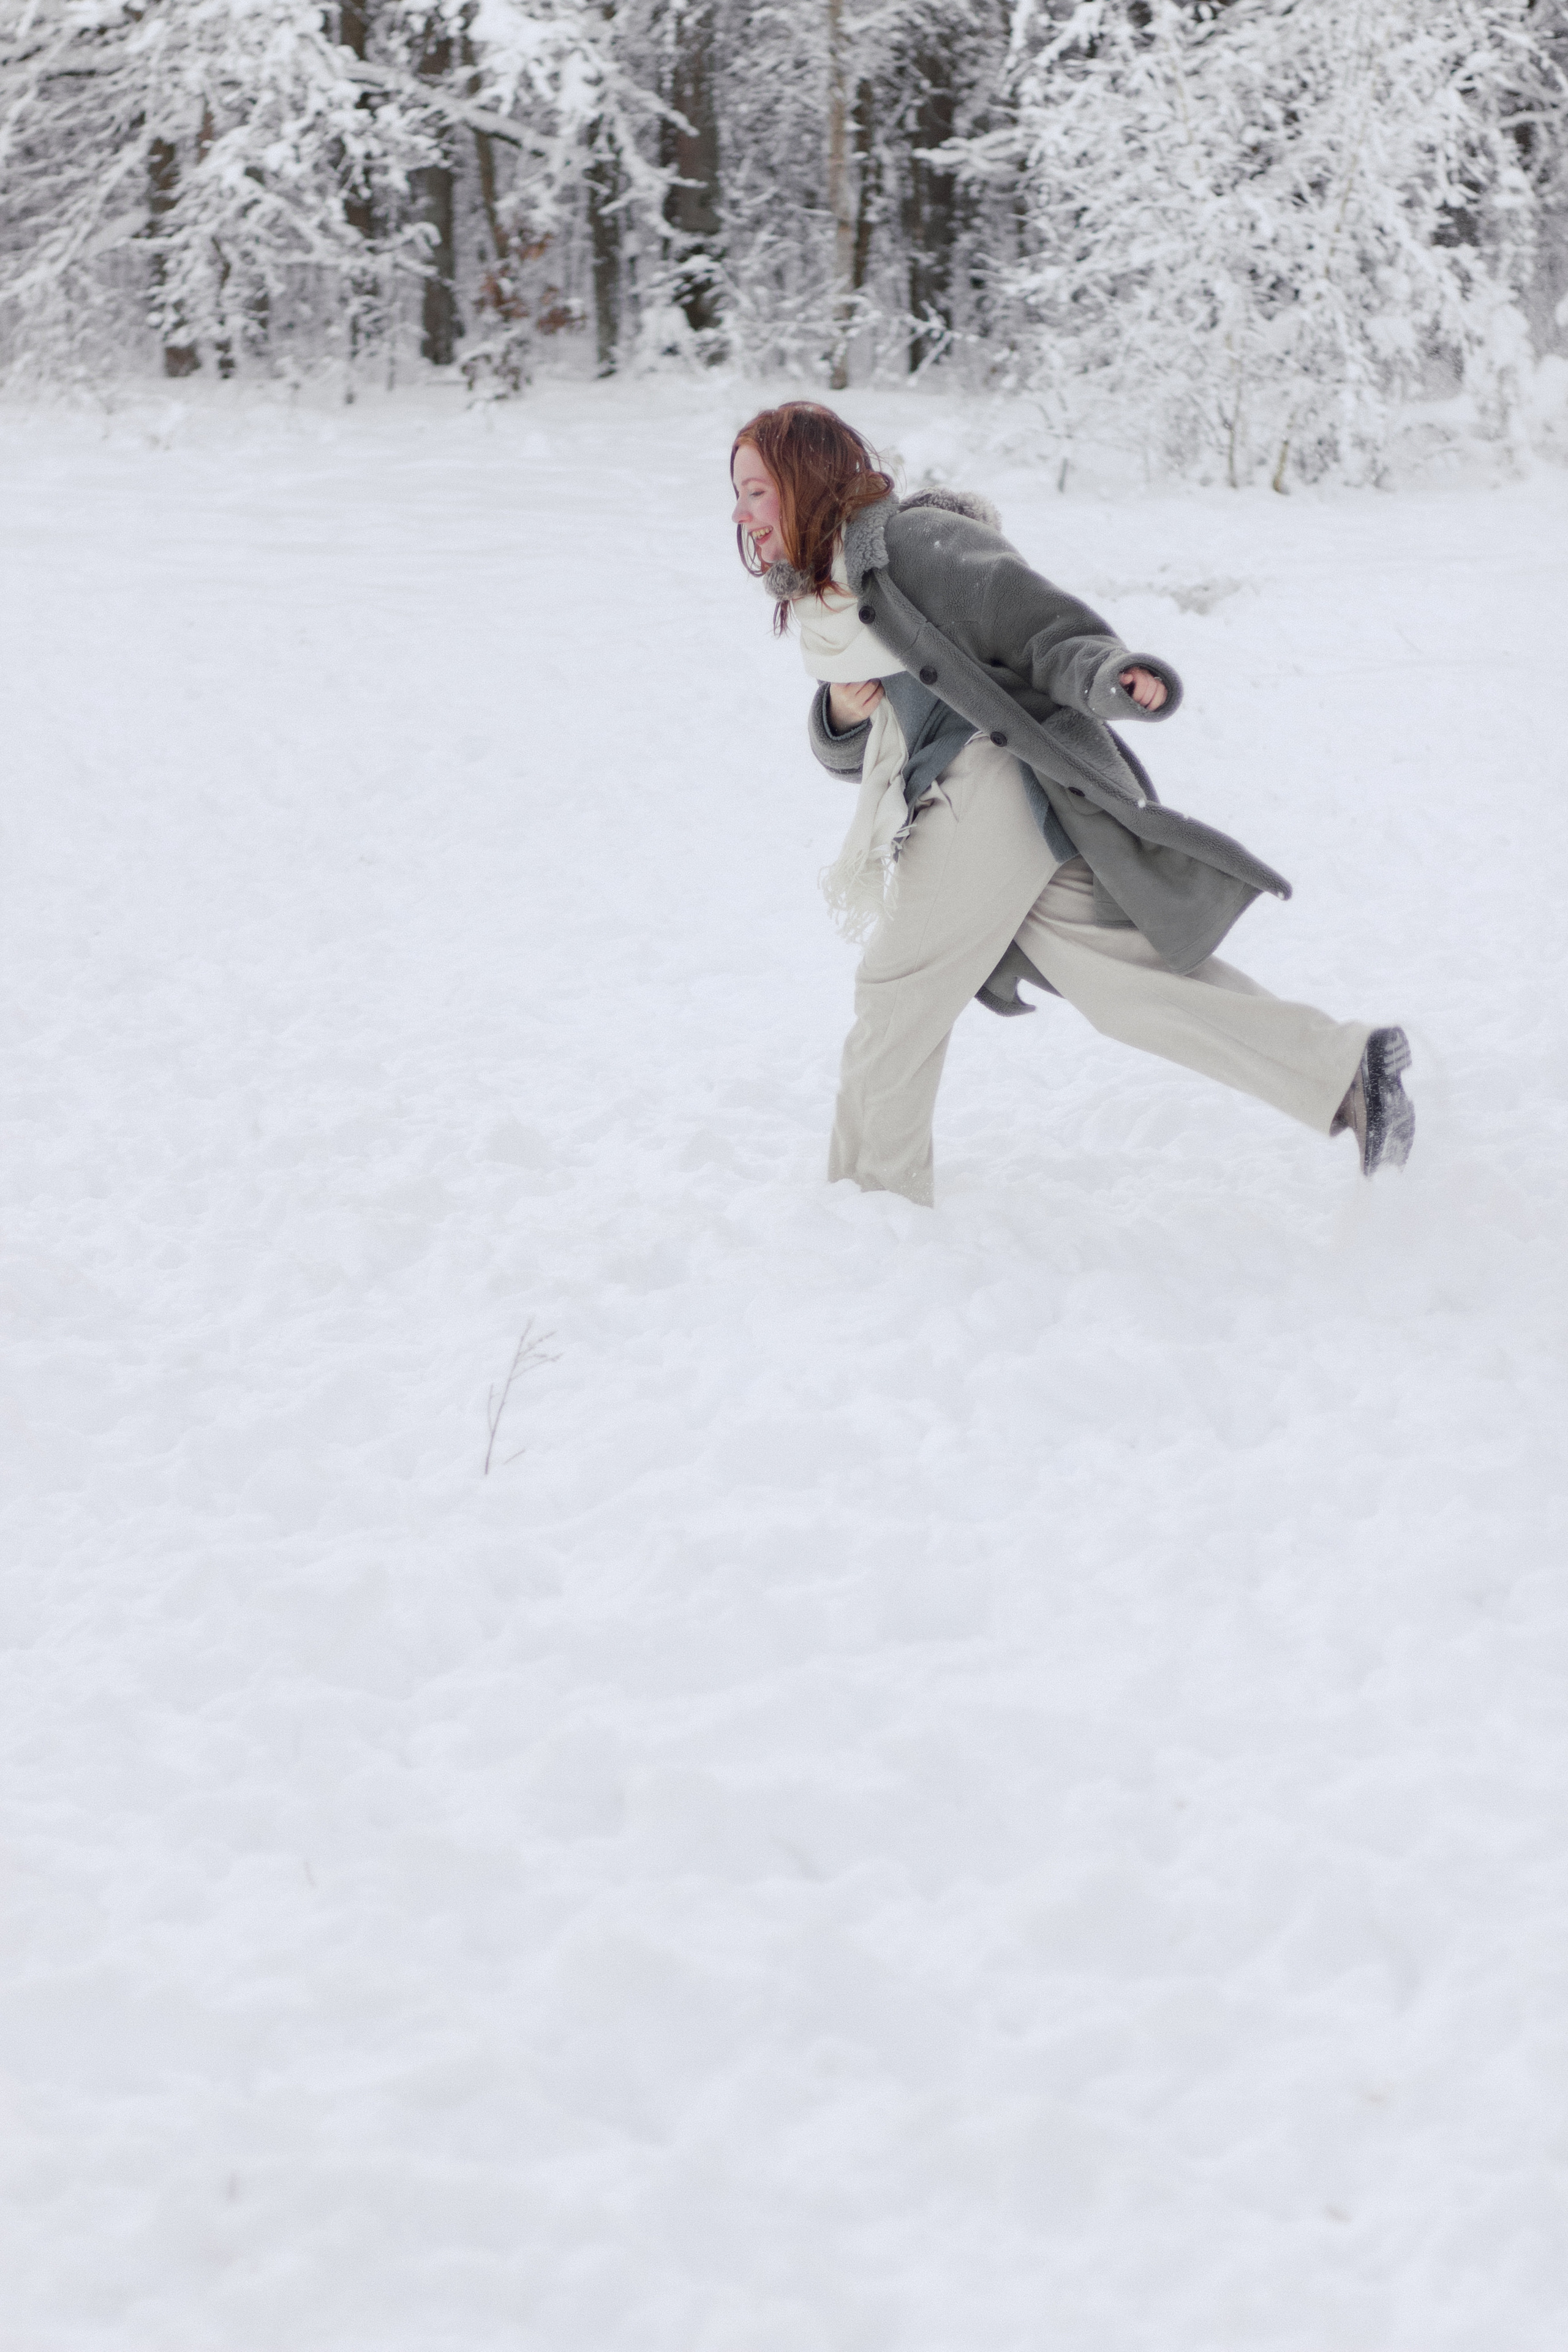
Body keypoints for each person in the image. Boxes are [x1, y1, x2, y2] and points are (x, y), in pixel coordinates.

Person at [729, 402, 1415, 1208]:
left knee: (898, 986)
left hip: (990, 782)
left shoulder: (914, 544)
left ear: (807, 481)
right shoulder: (834, 600)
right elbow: (868, 751)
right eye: (737, 496)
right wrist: (845, 715)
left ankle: (869, 1204)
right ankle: (1346, 1072)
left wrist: (1110, 674)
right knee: (1125, 987)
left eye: (756, 491)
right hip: (960, 802)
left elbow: (1039, 625)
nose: (742, 515)